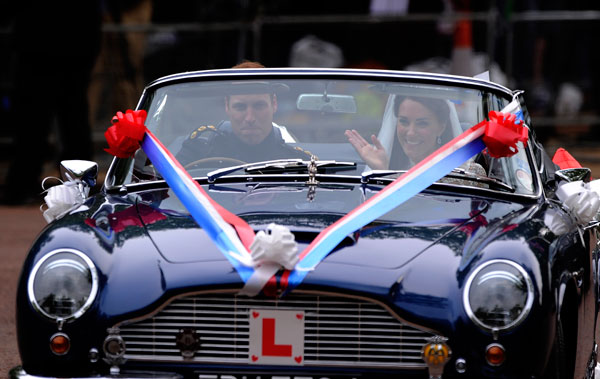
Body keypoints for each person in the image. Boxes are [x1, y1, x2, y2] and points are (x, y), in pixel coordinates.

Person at [176, 61, 312, 166]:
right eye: (240, 107)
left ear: (274, 104)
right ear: (227, 106)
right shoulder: (196, 153)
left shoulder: (298, 162)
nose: (250, 118)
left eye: (259, 106)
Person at [345, 95, 452, 170]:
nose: (410, 133)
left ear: (441, 128)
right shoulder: (395, 166)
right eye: (404, 122)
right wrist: (380, 171)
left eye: (422, 124)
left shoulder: (453, 172)